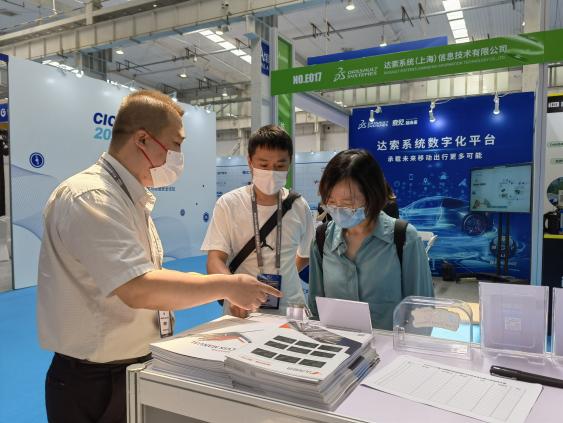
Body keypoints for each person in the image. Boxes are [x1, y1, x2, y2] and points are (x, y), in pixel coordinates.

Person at [37, 90, 280, 423]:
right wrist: (228, 285)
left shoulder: (128, 197)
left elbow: (150, 277)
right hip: (94, 382)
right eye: (176, 144)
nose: (179, 156)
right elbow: (138, 288)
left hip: (132, 366)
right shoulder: (92, 196)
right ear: (142, 140)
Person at [308, 149, 433, 330]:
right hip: (337, 344)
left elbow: (422, 312)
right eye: (331, 201)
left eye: (348, 202)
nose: (338, 209)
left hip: (390, 347)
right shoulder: (322, 239)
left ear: (372, 196)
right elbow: (316, 306)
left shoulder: (404, 239)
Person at [202, 124, 314, 318]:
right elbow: (215, 259)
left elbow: (305, 254)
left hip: (292, 307)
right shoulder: (229, 204)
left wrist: (283, 275)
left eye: (280, 166)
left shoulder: (299, 205)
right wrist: (232, 290)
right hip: (243, 308)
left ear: (289, 163)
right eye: (263, 165)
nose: (272, 171)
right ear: (250, 162)